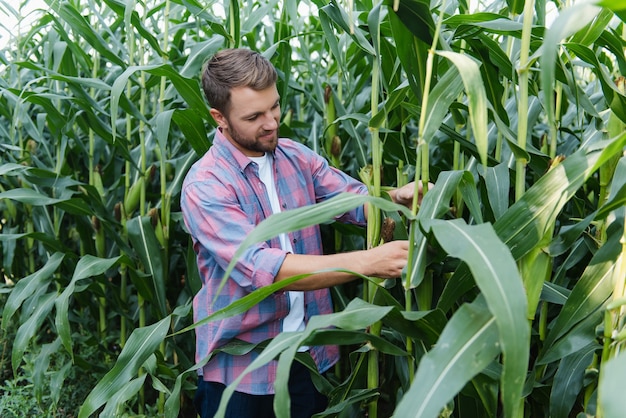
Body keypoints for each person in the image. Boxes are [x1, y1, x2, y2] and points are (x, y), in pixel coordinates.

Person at [180, 48, 418, 418]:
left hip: (308, 361)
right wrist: (368, 262)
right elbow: (265, 269)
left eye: (274, 106)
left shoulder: (295, 157)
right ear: (219, 118)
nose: (272, 122)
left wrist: (394, 198)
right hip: (242, 374)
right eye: (254, 116)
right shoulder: (206, 185)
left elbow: (354, 200)